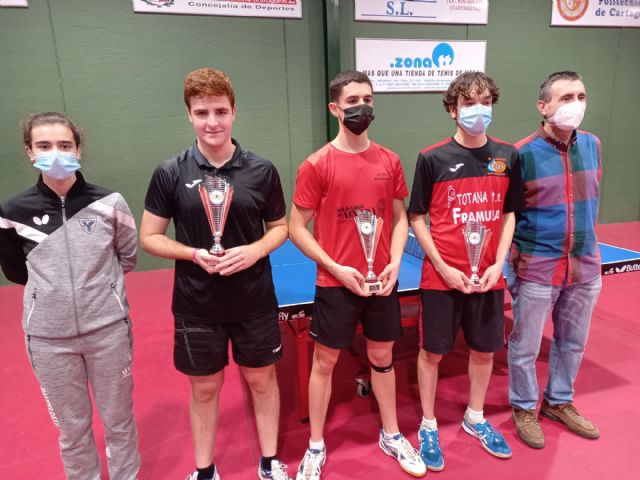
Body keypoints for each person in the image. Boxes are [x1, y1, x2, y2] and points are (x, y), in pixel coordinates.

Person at [140, 68, 290, 480]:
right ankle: (205, 471)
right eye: (202, 112)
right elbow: (149, 237)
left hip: (254, 299)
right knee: (204, 388)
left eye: (220, 111)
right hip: (197, 304)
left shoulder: (262, 170)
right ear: (189, 114)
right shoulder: (170, 172)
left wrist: (255, 250)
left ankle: (270, 462)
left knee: (262, 381)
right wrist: (192, 254)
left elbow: (280, 227)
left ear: (234, 112)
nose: (212, 122)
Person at [290, 70, 426, 480]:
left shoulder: (389, 160)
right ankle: (315, 446)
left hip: (381, 281)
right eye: (352, 101)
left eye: (367, 99)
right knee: (325, 361)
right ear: (335, 108)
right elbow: (296, 227)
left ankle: (392, 434)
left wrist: (395, 262)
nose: (361, 107)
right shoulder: (316, 164)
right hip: (336, 283)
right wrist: (334, 267)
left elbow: (399, 218)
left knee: (382, 358)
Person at [0, 112, 141, 479]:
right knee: (72, 430)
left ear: (78, 149)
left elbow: (127, 257)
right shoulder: (11, 212)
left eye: (65, 145)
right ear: (30, 151)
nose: (56, 154)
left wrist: (99, 292)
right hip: (49, 340)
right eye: (44, 146)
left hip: (108, 332)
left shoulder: (110, 203)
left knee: (119, 420)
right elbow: (15, 271)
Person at [408, 71, 524, 470]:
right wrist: (442, 266)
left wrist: (499, 262)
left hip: (488, 276)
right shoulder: (432, 158)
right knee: (432, 353)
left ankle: (475, 417)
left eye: (486, 102)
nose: (479, 110)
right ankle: (428, 424)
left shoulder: (508, 156)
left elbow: (508, 214)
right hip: (441, 278)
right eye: (469, 103)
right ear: (453, 109)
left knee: (484, 350)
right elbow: (417, 217)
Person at [508, 71, 602, 449]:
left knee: (573, 343)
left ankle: (559, 401)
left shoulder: (593, 145)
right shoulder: (521, 153)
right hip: (537, 269)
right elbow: (509, 216)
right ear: (543, 106)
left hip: (584, 267)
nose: (575, 104)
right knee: (525, 347)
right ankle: (524, 407)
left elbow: (591, 202)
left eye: (580, 96)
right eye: (565, 98)